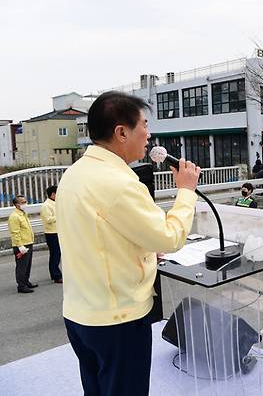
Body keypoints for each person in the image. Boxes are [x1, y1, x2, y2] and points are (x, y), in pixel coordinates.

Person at [56, 91, 201, 396]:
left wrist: (142, 250)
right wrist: (186, 191)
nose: (148, 135)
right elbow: (171, 236)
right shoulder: (120, 184)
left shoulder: (74, 174)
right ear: (121, 132)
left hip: (80, 313)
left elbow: (98, 236)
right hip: (118, 319)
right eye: (144, 125)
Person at [8, 195, 37, 293]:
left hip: (28, 243)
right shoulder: (14, 217)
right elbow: (15, 232)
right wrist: (20, 246)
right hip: (21, 245)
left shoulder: (23, 214)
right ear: (17, 205)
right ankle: (21, 285)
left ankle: (26, 281)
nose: (26, 203)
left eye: (26, 201)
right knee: (21, 266)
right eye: (23, 202)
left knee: (27, 265)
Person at [40, 185, 63, 283]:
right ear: (53, 194)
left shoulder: (55, 203)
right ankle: (56, 275)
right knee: (55, 254)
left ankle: (55, 273)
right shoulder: (46, 206)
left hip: (58, 232)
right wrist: (59, 215)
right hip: (52, 233)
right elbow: (48, 220)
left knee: (58, 254)